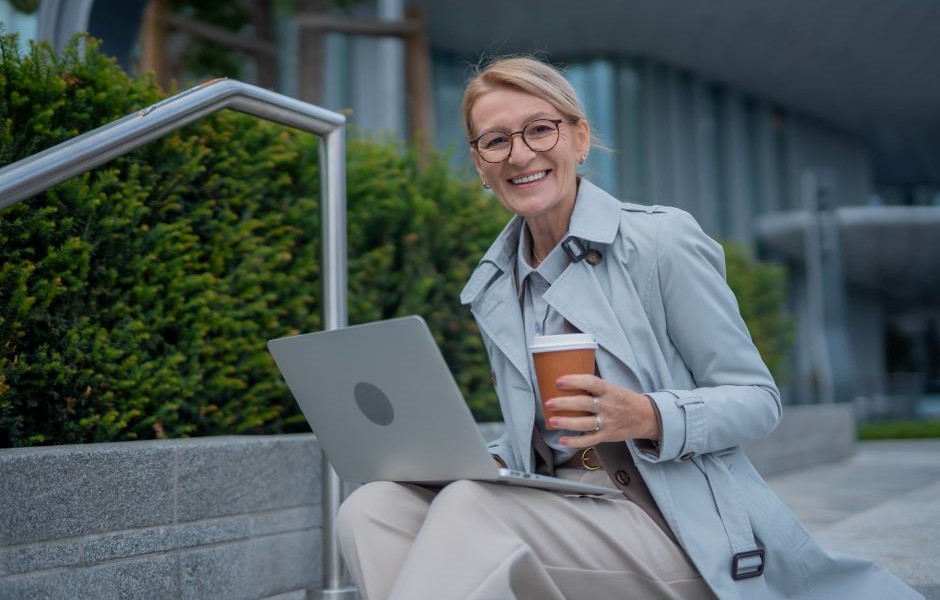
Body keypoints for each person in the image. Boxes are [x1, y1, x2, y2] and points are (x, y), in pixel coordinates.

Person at [335, 56, 923, 600]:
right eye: (496, 141)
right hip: (559, 506)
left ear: (580, 138)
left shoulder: (661, 242)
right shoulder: (494, 283)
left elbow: (758, 401)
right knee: (373, 508)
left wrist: (647, 416)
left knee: (468, 509)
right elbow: (540, 437)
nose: (519, 154)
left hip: (672, 527)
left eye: (540, 129)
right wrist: (484, 457)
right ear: (480, 164)